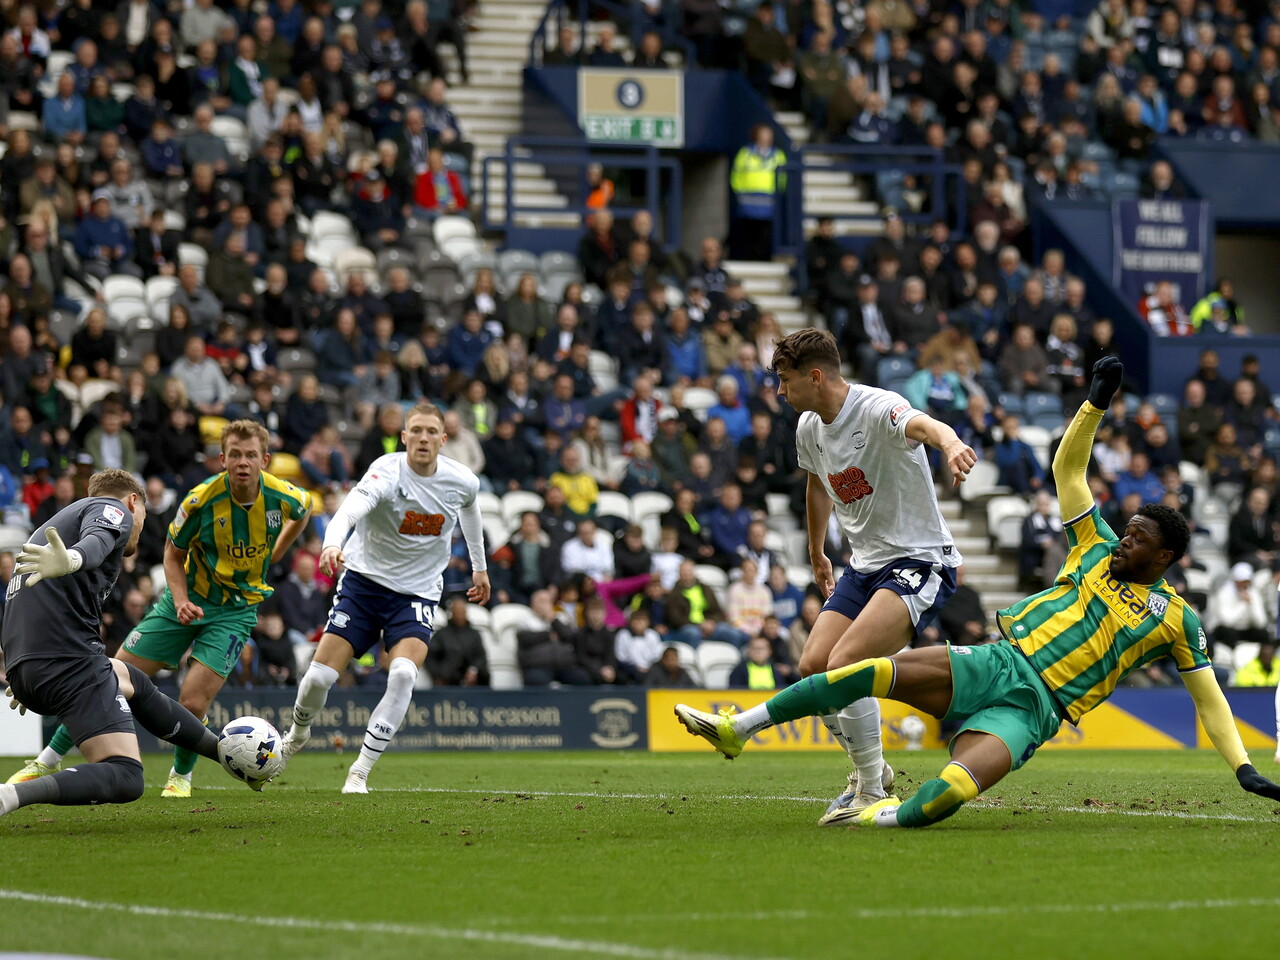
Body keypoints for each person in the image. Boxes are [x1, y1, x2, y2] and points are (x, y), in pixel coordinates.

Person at [675, 358, 1280, 827]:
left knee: (940, 803)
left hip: (1032, 712)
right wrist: (1094, 405)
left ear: (1165, 558)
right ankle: (741, 727)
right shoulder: (1092, 544)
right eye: (1127, 531)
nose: (1123, 541)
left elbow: (1210, 702)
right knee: (858, 670)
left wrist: (1244, 766)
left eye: (1138, 539)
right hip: (996, 661)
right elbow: (1068, 471)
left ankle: (871, 808)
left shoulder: (1176, 619)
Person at [8, 423, 312, 797]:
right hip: (186, 600)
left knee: (193, 698)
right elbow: (172, 553)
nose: (243, 462)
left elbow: (305, 509)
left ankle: (180, 777)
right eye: (235, 454)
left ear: (265, 460)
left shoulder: (285, 495)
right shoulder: (199, 500)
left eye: (251, 455)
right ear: (222, 459)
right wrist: (181, 599)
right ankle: (47, 759)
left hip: (237, 608)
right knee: (111, 674)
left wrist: (277, 551)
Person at [769, 328, 975, 824]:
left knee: (847, 664)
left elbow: (926, 426)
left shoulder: (879, 407)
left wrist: (951, 445)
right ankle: (873, 771)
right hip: (862, 566)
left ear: (814, 376)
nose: (781, 391)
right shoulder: (808, 426)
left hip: (918, 560)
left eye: (785, 380)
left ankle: (866, 792)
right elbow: (817, 487)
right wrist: (818, 552)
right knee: (813, 667)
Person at [1, 470, 257, 820]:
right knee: (126, 775)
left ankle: (224, 752)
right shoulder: (113, 509)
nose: (136, 528)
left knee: (130, 677)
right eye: (144, 518)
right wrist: (74, 558)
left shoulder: (60, 523)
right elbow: (97, 540)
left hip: (29, 668)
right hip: (65, 663)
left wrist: (25, 666)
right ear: (134, 501)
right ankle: (9, 796)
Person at [280, 401, 489, 793]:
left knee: (405, 673)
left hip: (416, 593)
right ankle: (297, 734)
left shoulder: (462, 480)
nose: (423, 438)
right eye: (416, 431)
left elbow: (471, 511)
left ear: (443, 440)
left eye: (431, 432)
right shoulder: (385, 472)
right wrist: (330, 544)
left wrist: (479, 567)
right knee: (318, 678)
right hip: (363, 584)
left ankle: (359, 770)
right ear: (404, 436)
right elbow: (349, 511)